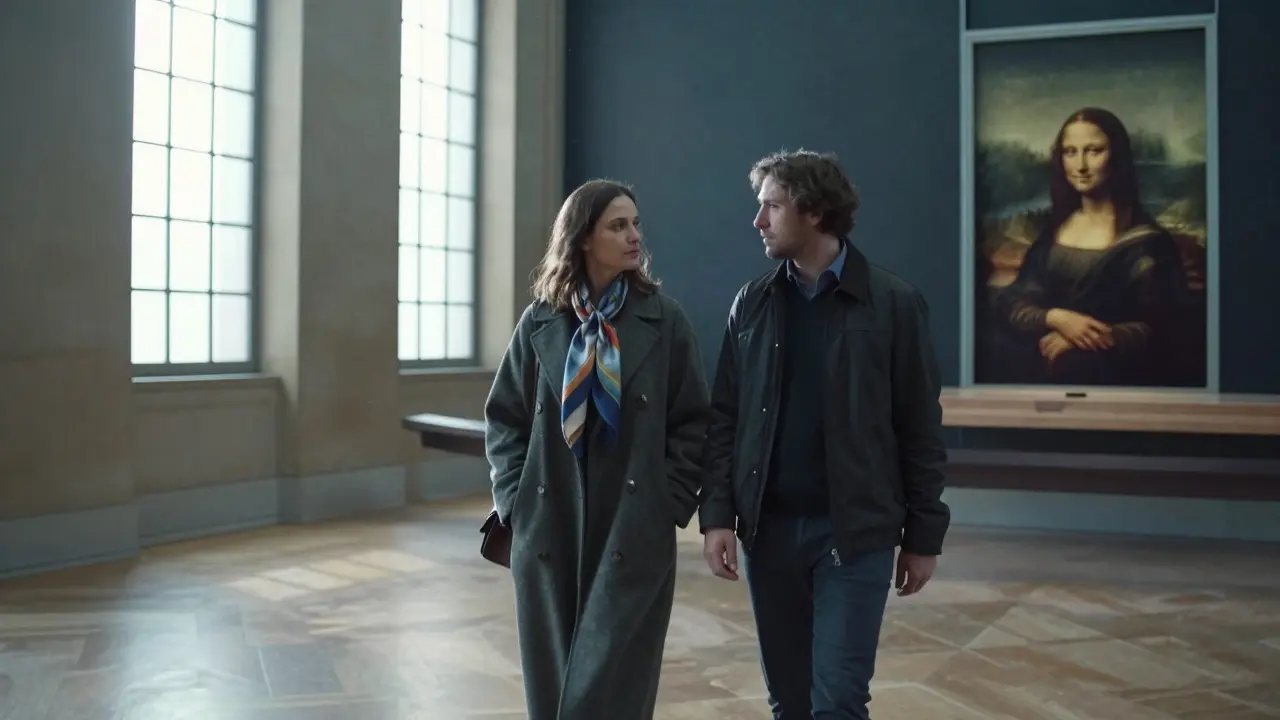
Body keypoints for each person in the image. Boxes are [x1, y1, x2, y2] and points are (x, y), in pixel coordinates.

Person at [698, 149, 951, 719]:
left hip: (854, 534)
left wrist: (923, 534)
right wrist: (716, 516)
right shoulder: (753, 303)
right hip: (769, 533)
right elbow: (726, 420)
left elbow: (919, 429)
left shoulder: (894, 304)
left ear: (813, 212)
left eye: (772, 207)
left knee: (837, 700)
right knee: (788, 702)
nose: (758, 221)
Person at [484, 178, 711, 719]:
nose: (634, 236)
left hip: (632, 520)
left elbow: (694, 422)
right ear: (584, 237)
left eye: (635, 224)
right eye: (618, 225)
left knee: (615, 675)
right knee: (556, 676)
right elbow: (505, 418)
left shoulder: (665, 320)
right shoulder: (540, 319)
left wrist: (667, 502)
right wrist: (518, 502)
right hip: (551, 521)